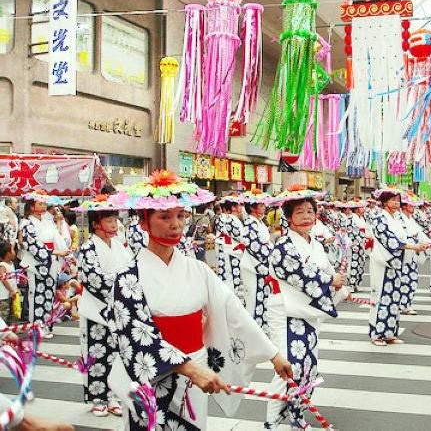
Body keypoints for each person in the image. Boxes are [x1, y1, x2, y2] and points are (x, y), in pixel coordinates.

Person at [103, 170, 292, 430]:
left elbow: (232, 310)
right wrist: (189, 368)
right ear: (143, 221)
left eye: (181, 216)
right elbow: (135, 338)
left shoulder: (198, 270)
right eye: (165, 216)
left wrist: (273, 354)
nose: (176, 225)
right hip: (153, 376)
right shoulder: (127, 278)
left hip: (196, 366)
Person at [264, 185, 349, 430]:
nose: (306, 217)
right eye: (299, 212)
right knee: (289, 368)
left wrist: (339, 285)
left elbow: (327, 271)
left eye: (310, 211)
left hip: (308, 314)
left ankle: (297, 415)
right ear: (289, 217)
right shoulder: (282, 248)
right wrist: (329, 281)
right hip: (287, 313)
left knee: (308, 368)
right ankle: (272, 422)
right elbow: (303, 275)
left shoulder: (316, 244)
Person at [75, 195, 133, 418]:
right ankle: (98, 398)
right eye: (109, 220)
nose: (114, 224)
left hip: (116, 310)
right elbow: (94, 279)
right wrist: (121, 285)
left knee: (116, 354)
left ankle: (115, 396)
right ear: (96, 224)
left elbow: (130, 271)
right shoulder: (88, 249)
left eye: (115, 219)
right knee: (96, 355)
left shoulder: (119, 246)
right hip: (95, 311)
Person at [369, 187, 426, 346]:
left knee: (394, 298)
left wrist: (418, 244)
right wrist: (412, 246)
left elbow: (407, 235)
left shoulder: (397, 219)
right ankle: (376, 334)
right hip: (384, 263)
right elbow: (390, 241)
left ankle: (390, 333)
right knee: (381, 297)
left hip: (397, 263)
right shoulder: (379, 219)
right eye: (392, 199)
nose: (396, 202)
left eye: (397, 200)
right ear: (384, 202)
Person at [19, 191, 69, 339]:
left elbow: (58, 239)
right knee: (36, 296)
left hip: (51, 261)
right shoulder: (27, 224)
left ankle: (46, 325)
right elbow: (33, 245)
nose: (44, 205)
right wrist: (56, 252)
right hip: (37, 264)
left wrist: (66, 252)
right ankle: (36, 328)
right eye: (40, 203)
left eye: (43, 203)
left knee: (48, 295)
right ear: (32, 207)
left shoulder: (48, 222)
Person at [240, 189, 274, 336]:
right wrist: (269, 257)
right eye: (260, 205)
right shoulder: (249, 224)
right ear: (252, 207)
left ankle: (261, 328)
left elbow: (264, 243)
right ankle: (252, 332)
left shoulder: (258, 222)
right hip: (253, 265)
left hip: (261, 263)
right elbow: (254, 246)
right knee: (253, 298)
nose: (264, 207)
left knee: (262, 296)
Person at [398, 192, 431, 315]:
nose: (413, 207)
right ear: (404, 206)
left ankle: (406, 304)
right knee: (403, 280)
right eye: (411, 205)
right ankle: (402, 305)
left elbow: (419, 234)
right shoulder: (399, 218)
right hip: (403, 254)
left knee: (412, 280)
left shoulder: (410, 219)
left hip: (412, 253)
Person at [214, 194, 246, 303]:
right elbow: (241, 237)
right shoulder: (232, 220)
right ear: (233, 207)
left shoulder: (226, 218)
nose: (241, 207)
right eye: (239, 205)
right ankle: (231, 301)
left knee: (227, 275)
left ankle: (229, 300)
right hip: (231, 251)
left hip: (227, 249)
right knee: (232, 276)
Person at [0, 240, 17, 323]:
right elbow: (3, 279)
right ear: (8, 253)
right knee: (3, 314)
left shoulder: (11, 263)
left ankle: (10, 330)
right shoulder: (3, 265)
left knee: (11, 313)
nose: (14, 252)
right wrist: (11, 290)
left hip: (11, 294)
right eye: (13, 250)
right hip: (3, 296)